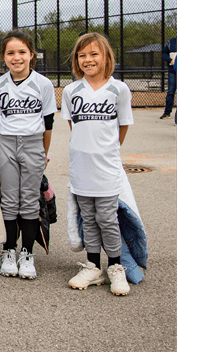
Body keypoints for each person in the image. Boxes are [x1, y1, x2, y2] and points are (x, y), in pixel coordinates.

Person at [61, 32, 134, 296]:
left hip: (107, 169)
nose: (88, 60)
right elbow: (74, 126)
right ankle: (93, 267)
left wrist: (106, 150)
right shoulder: (71, 91)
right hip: (81, 167)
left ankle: (115, 268)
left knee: (107, 218)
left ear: (106, 57)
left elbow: (122, 126)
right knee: (89, 219)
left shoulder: (119, 89)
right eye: (82, 55)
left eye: (94, 54)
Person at [0, 30, 57, 280]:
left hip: (33, 144)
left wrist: (43, 154)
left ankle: (27, 253)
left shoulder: (43, 84)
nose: (16, 58)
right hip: (6, 144)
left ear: (32, 55)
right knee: (9, 199)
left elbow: (48, 124)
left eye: (22, 52)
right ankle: (9, 250)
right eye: (10, 53)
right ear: (3, 57)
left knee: (29, 200)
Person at [160, 36, 177, 119]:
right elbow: (164, 53)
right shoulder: (170, 42)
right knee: (170, 92)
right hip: (173, 71)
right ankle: (167, 112)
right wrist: (170, 60)